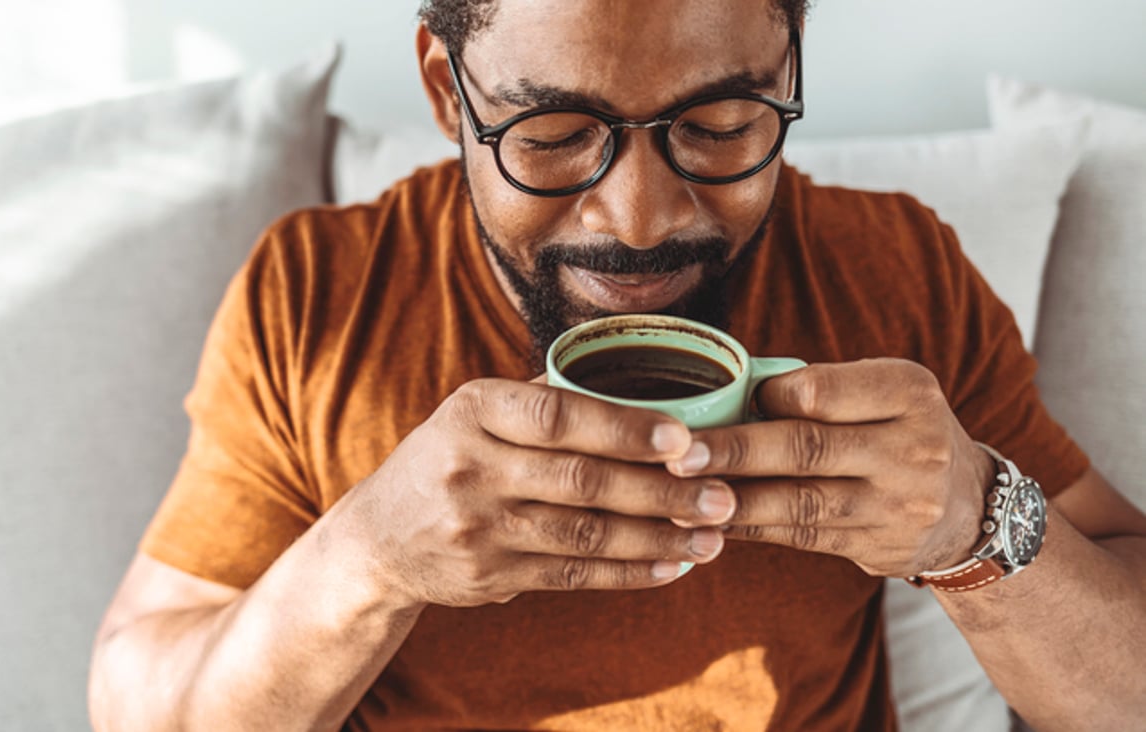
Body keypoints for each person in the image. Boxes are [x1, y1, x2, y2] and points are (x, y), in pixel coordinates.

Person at [88, 1, 1146, 729]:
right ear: (448, 93)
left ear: (788, 77)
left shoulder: (894, 267)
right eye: (552, 133)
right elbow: (137, 699)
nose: (639, 218)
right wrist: (367, 560)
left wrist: (978, 523)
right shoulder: (317, 294)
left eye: (721, 125)